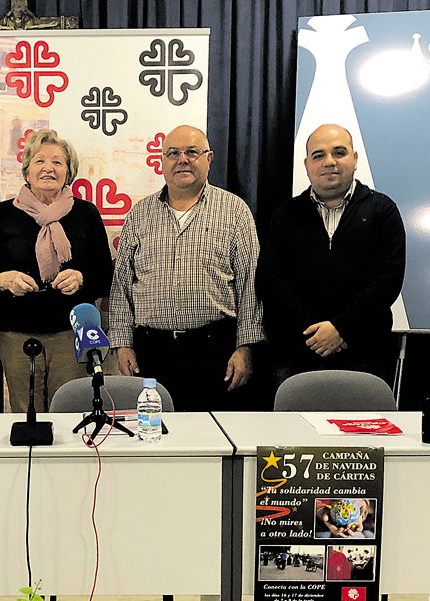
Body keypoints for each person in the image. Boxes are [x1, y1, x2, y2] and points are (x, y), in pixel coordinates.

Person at [109, 125, 264, 411]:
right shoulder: (140, 213)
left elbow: (250, 286)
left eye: (192, 152)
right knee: (155, 440)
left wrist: (246, 347)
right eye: (173, 153)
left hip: (215, 350)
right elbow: (122, 285)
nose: (183, 159)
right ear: (162, 162)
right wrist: (122, 343)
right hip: (150, 352)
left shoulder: (235, 211)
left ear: (209, 158)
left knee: (211, 440)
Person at [0, 129, 112, 412]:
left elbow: (106, 275)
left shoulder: (86, 214)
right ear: (26, 170)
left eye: (58, 162)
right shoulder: (1, 215)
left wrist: (82, 278)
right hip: (17, 335)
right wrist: (2, 279)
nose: (48, 168)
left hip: (70, 333)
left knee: (70, 410)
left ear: (68, 172)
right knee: (26, 413)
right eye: (39, 161)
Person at [257, 123, 405, 386]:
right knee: (290, 428)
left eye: (339, 152)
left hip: (365, 352)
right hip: (296, 354)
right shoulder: (286, 215)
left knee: (364, 428)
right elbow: (271, 280)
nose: (329, 162)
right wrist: (315, 333)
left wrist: (341, 329)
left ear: (355, 158)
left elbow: (388, 280)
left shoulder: (382, 210)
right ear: (307, 164)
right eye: (319, 155)